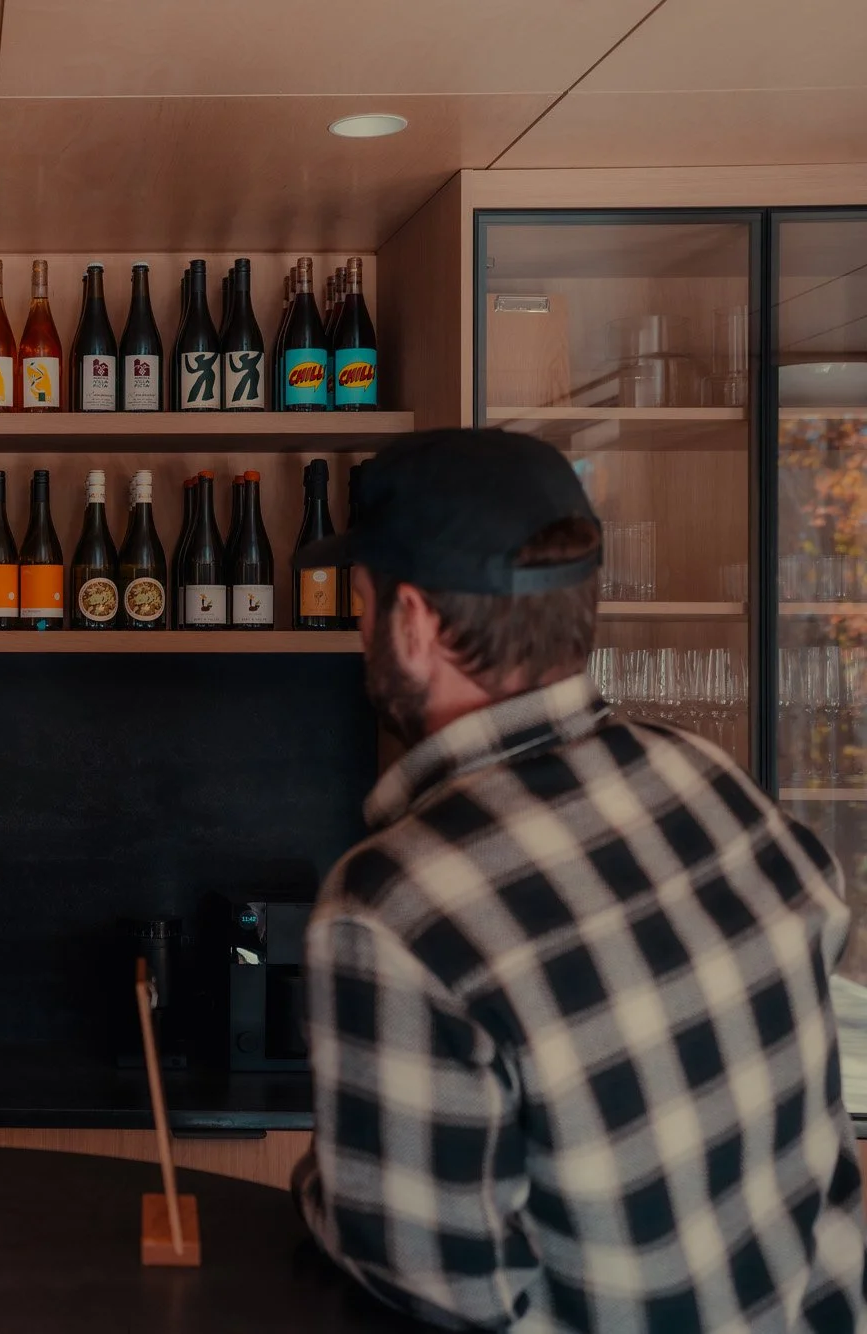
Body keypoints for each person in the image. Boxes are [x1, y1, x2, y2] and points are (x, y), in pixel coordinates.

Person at [289, 429, 865, 1331]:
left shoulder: (396, 910)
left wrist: (328, 1189)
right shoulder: (721, 790)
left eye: (360, 604)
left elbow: (438, 1283)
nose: (358, 631)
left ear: (416, 622)